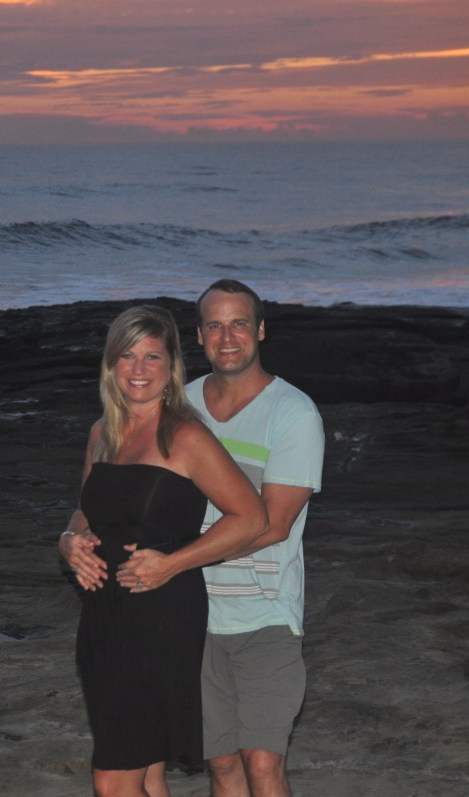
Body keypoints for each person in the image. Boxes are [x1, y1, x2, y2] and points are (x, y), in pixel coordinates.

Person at [118, 280, 325, 797]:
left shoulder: (293, 413)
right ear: (199, 336)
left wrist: (172, 562)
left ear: (260, 330)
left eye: (238, 324)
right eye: (214, 325)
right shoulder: (179, 406)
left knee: (263, 764)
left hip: (265, 614)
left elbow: (272, 525)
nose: (227, 337)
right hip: (190, 615)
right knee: (223, 765)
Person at [58, 304, 268, 797]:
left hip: (160, 617)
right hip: (103, 616)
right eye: (127, 356)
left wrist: (173, 563)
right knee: (148, 771)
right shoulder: (102, 434)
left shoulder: (186, 436)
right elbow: (86, 510)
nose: (138, 369)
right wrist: (68, 540)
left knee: (113, 781)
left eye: (152, 356)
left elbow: (252, 519)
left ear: (171, 365)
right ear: (111, 364)